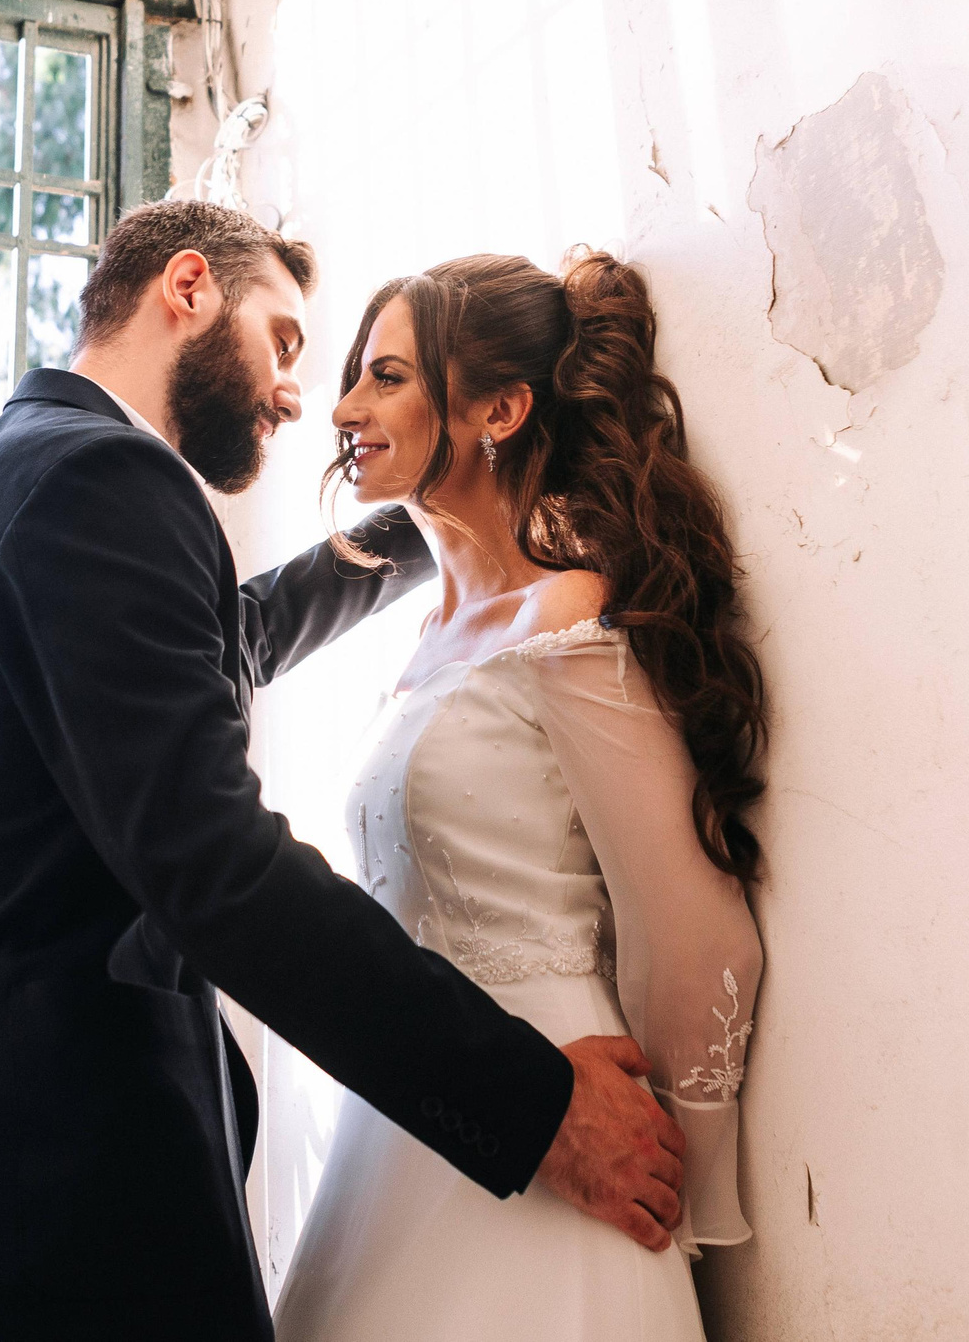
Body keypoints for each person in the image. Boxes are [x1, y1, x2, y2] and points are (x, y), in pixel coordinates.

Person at [0, 203, 688, 1342]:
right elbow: (221, 869)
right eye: (282, 342)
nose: (295, 396)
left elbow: (226, 645)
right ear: (186, 288)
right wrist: (536, 1109)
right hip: (44, 1235)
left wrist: (446, 502)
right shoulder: (105, 481)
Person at [274, 251, 768, 1341]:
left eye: (386, 375)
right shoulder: (422, 642)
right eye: (355, 372)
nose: (346, 406)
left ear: (498, 407)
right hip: (416, 1107)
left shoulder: (569, 619)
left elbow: (698, 936)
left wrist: (676, 1168)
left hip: (565, 1120)